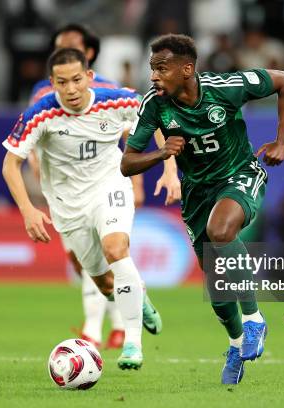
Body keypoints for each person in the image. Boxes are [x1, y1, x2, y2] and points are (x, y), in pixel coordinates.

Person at [121, 34, 284, 384]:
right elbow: (127, 163)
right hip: (197, 191)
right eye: (152, 69)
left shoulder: (225, 88)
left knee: (221, 232)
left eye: (162, 69)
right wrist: (161, 153)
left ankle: (254, 319)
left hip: (239, 173)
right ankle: (235, 345)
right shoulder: (153, 105)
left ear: (187, 69)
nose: (154, 76)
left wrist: (282, 140)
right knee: (215, 280)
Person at [2, 48, 167, 370]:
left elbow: (155, 116)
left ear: (89, 77)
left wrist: (170, 169)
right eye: (62, 82)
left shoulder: (117, 100)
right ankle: (139, 298)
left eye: (77, 80)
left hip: (109, 186)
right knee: (105, 284)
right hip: (67, 205)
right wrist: (28, 211)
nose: (71, 89)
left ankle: (133, 342)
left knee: (116, 248)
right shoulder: (40, 113)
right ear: (53, 83)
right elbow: (11, 164)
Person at [27, 23, 181, 350]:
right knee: (86, 265)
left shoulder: (109, 91)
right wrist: (37, 175)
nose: (63, 51)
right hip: (64, 196)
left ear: (90, 57)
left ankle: (102, 330)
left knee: (114, 251)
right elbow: (30, 141)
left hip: (103, 186)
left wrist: (137, 183)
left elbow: (132, 138)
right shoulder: (42, 93)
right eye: (58, 45)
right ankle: (121, 313)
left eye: (71, 45)